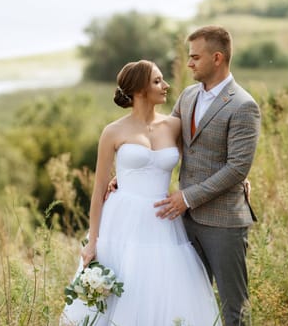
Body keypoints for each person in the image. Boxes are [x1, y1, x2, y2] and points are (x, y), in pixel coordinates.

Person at [60, 60, 221, 326]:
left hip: (163, 220)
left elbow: (206, 158)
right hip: (122, 222)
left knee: (161, 292)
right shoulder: (113, 132)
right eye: (157, 81)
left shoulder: (174, 126)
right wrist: (92, 241)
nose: (165, 85)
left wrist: (240, 180)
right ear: (139, 90)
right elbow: (99, 189)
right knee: (121, 293)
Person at [154, 25, 261, 326]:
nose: (189, 64)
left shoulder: (243, 105)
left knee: (233, 308)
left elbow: (238, 168)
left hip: (224, 223)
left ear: (217, 58)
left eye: (194, 57)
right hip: (185, 222)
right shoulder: (187, 96)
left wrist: (187, 198)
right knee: (187, 300)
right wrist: (126, 174)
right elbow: (164, 138)